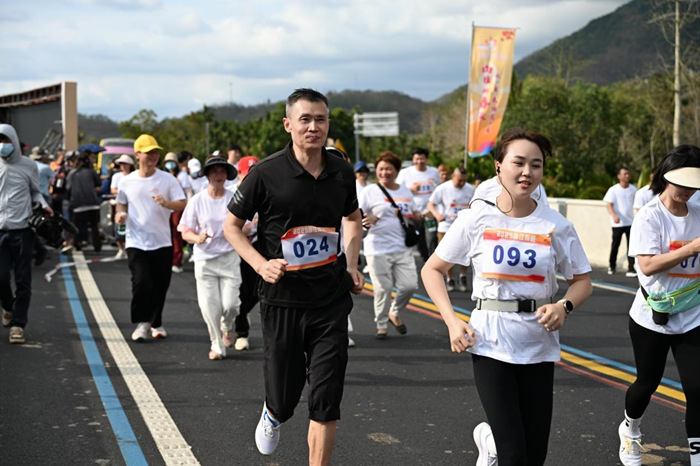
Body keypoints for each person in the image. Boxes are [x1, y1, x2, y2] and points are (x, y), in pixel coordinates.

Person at [421, 127, 592, 466]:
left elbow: (582, 281)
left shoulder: (555, 225)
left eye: (536, 165)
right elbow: (432, 270)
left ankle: (491, 443)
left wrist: (564, 305)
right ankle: (497, 444)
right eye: (518, 163)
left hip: (539, 342)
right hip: (490, 339)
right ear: (499, 166)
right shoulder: (475, 219)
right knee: (514, 454)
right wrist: (453, 322)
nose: (527, 172)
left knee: (534, 454)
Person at [224, 88, 363, 465]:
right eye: (305, 119)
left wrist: (351, 263)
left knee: (326, 396)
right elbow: (232, 227)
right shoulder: (264, 173)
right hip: (282, 299)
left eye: (320, 119)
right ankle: (274, 412)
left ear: (328, 124)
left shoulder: (341, 172)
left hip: (330, 299)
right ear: (288, 125)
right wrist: (260, 264)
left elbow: (352, 218)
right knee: (285, 395)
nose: (313, 127)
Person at [617, 145, 700, 466]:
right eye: (682, 182)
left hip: (693, 313)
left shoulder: (697, 211)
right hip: (653, 315)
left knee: (697, 386)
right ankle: (631, 429)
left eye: (694, 185)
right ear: (666, 176)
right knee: (647, 383)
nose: (688, 191)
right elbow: (648, 266)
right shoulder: (650, 216)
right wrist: (691, 248)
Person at [115, 134, 186, 342]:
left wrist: (166, 203)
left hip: (162, 241)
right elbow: (121, 204)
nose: (154, 156)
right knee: (141, 282)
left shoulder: (167, 179)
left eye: (156, 152)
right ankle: (142, 322)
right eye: (149, 152)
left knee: (160, 285)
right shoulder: (127, 182)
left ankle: (156, 322)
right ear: (137, 154)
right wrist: (120, 215)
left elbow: (182, 203)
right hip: (136, 241)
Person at [178, 156, 241, 360]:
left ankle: (228, 325)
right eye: (214, 172)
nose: (218, 176)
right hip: (205, 258)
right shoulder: (197, 200)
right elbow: (185, 231)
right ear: (207, 175)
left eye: (222, 172)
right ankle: (216, 344)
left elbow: (248, 223)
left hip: (229, 256)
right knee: (209, 306)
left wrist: (247, 227)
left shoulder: (234, 197)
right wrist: (197, 238)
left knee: (231, 305)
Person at [0, 124, 53, 344]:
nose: (3, 145)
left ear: (14, 141)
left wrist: (43, 205)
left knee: (23, 280)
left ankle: (18, 325)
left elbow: (35, 191)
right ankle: (8, 306)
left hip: (22, 232)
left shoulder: (28, 166)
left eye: (6, 140)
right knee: (1, 277)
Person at [359, 151, 420, 339]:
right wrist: (368, 219)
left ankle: (394, 312)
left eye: (389, 169)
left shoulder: (404, 191)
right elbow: (358, 217)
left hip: (402, 247)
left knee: (410, 285)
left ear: (396, 171)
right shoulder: (369, 191)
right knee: (383, 288)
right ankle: (382, 324)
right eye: (381, 169)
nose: (384, 173)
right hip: (377, 248)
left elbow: (414, 214)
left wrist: (413, 217)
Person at [228, 155, 260, 351]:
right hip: (233, 248)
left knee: (257, 289)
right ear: (239, 174)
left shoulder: (264, 192)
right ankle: (242, 332)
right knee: (238, 291)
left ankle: (243, 311)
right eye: (247, 175)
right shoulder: (230, 193)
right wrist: (242, 229)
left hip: (257, 246)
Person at [427, 166, 475, 292]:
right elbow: (431, 204)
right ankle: (450, 278)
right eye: (459, 180)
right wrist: (437, 215)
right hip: (446, 226)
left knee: (467, 254)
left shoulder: (471, 189)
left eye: (464, 180)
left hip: (465, 227)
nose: (462, 183)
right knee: (447, 255)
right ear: (453, 177)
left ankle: (463, 276)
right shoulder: (443, 188)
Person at [395, 147, 440, 261]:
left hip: (429, 213)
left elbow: (439, 190)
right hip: (414, 214)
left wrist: (433, 209)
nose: (419, 161)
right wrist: (411, 189)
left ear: (426, 159)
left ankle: (433, 261)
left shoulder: (434, 172)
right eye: (417, 159)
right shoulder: (405, 173)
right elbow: (397, 190)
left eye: (422, 159)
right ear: (413, 159)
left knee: (432, 238)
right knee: (419, 240)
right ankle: (425, 260)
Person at [64, 152, 102, 253]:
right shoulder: (91, 171)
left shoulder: (72, 173)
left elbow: (68, 188)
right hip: (93, 202)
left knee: (77, 225)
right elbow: (99, 183)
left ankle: (76, 244)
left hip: (78, 203)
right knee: (95, 225)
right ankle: (97, 245)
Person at [604, 167, 638, 276]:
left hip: (630, 222)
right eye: (624, 174)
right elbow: (609, 204)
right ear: (619, 176)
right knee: (615, 245)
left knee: (631, 246)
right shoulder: (613, 190)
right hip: (618, 224)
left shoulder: (633, 189)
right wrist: (614, 216)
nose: (627, 176)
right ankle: (612, 266)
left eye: (628, 174)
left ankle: (631, 268)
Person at [164, 151, 191, 273]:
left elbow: (188, 192)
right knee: (166, 235)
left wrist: (189, 208)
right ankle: (168, 260)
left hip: (178, 208)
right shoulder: (163, 175)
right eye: (167, 162)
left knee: (177, 235)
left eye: (172, 162)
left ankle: (177, 261)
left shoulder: (183, 175)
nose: (170, 165)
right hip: (165, 208)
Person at [110, 154, 135, 260]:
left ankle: (130, 248)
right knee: (119, 226)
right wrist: (122, 193)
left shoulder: (135, 176)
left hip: (133, 205)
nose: (122, 166)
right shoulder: (117, 176)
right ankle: (121, 248)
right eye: (121, 164)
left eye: (125, 164)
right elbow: (113, 189)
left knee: (132, 226)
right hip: (119, 204)